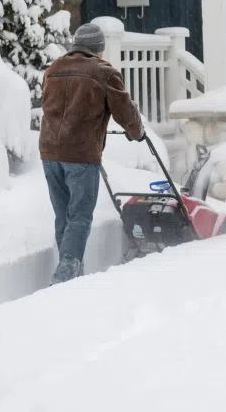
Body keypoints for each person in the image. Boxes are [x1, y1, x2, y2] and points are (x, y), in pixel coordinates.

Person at [39, 23, 144, 285]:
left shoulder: (54, 70)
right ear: (99, 49)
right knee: (80, 216)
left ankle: (73, 274)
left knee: (64, 215)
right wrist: (136, 131)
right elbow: (125, 112)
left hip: (50, 153)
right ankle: (65, 275)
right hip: (80, 154)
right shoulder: (104, 72)